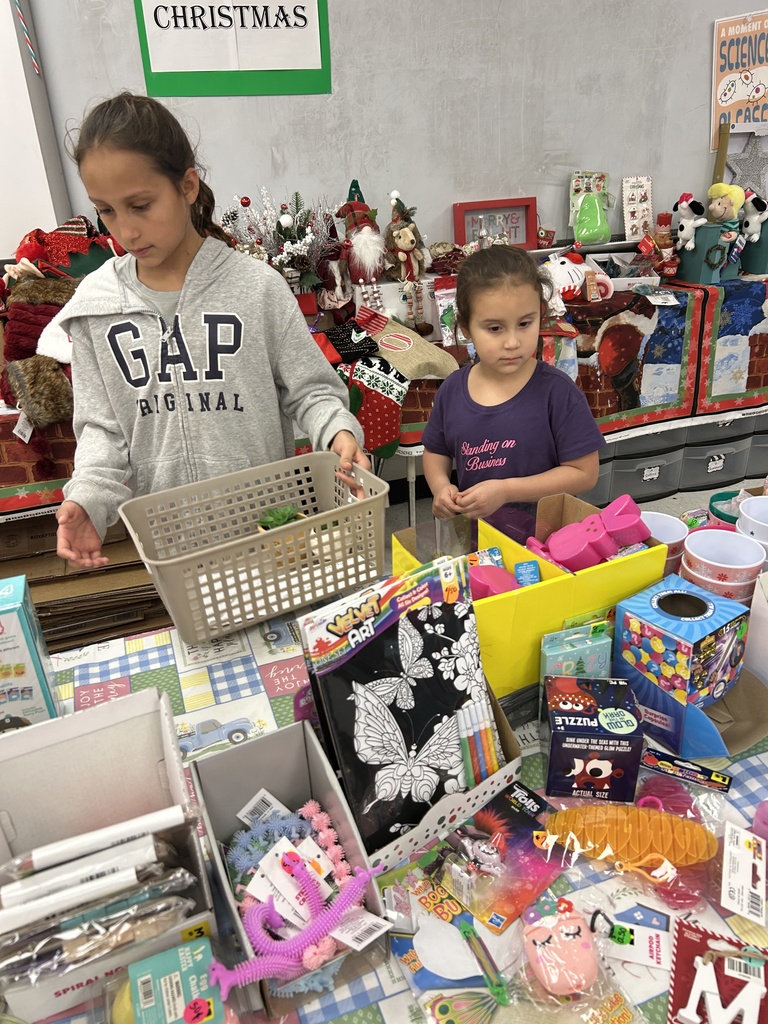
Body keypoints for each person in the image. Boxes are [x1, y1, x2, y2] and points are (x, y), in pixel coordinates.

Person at [54, 93, 368, 569]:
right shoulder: (96, 308)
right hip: (171, 548)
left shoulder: (256, 288)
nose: (126, 231)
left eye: (141, 205)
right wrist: (87, 498)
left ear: (187, 185)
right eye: (107, 211)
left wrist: (338, 433)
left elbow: (310, 392)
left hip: (273, 535)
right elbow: (102, 429)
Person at [422, 245, 604, 543]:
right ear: (466, 327)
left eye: (524, 324)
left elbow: (584, 473)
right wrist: (441, 486)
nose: (512, 342)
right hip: (479, 543)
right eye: (495, 328)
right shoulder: (452, 390)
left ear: (541, 315)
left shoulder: (557, 392)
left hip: (549, 546)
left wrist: (506, 491)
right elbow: (436, 451)